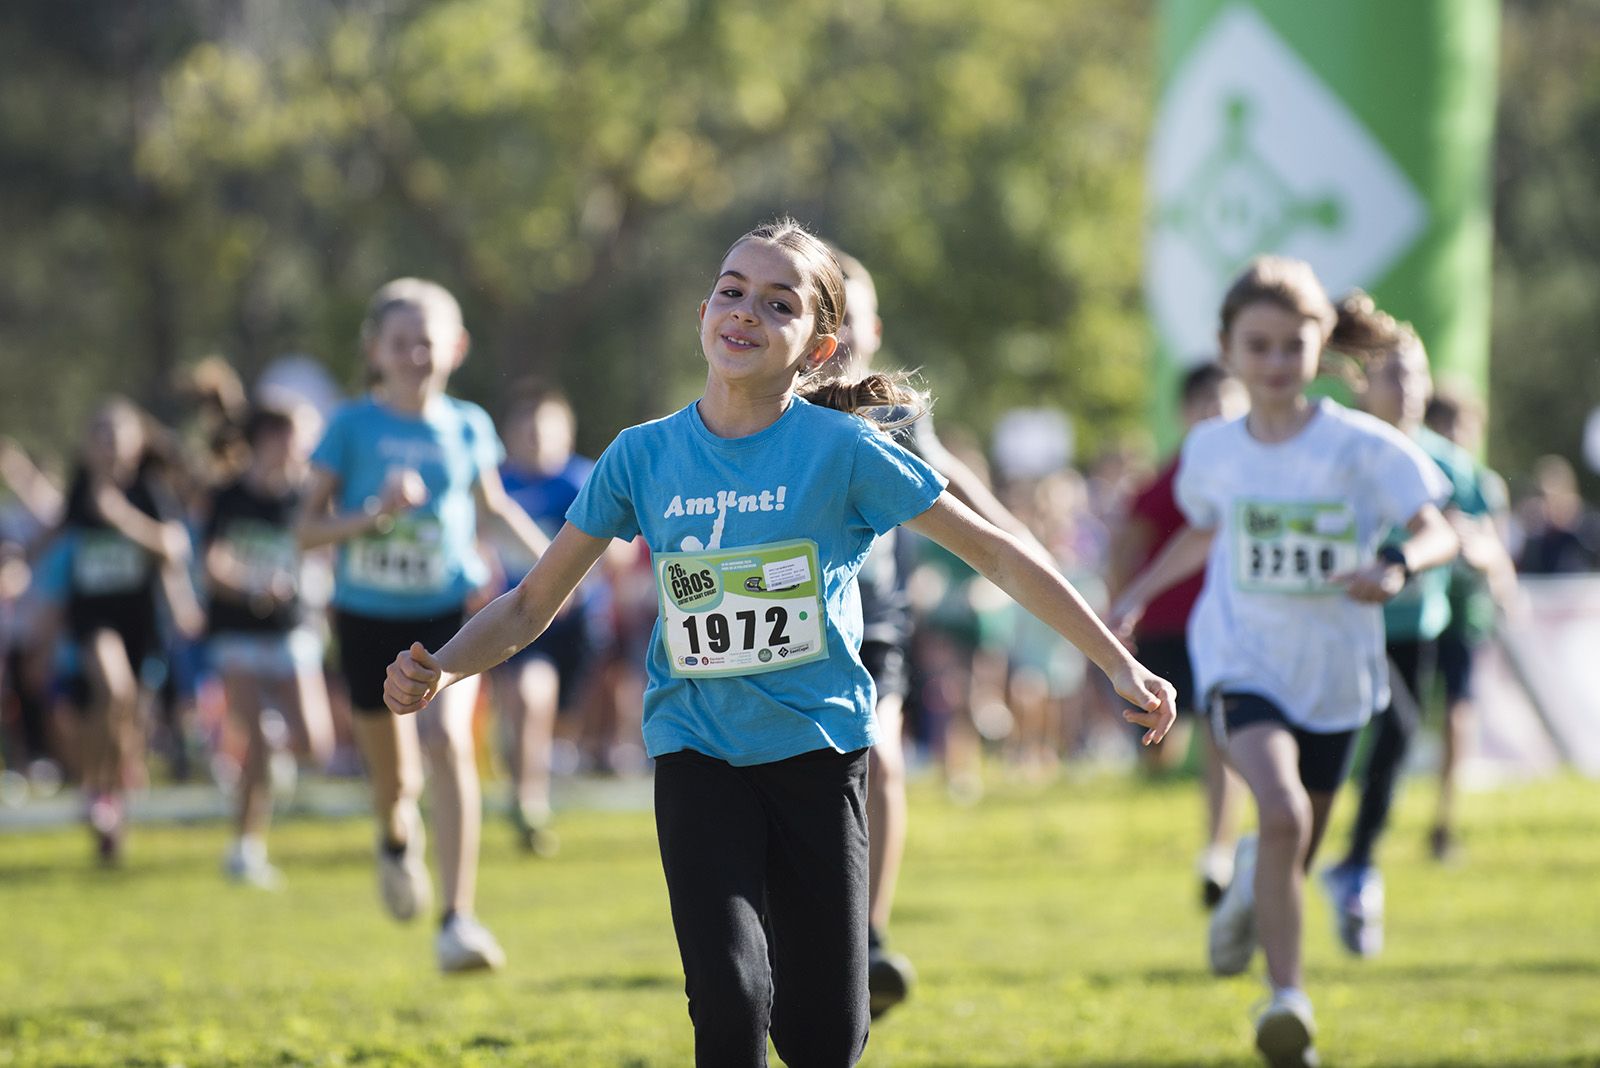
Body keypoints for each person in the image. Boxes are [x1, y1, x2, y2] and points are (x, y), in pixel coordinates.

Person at [383, 219, 1176, 1067]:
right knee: (729, 1001)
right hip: (695, 753)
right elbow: (533, 599)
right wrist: (443, 667)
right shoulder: (641, 456)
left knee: (824, 1037)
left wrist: (1116, 659)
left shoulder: (844, 450)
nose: (746, 312)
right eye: (731, 290)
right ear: (703, 311)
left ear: (818, 345)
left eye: (778, 302)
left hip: (816, 750)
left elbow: (996, 553)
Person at [1111, 256, 1457, 1068]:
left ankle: (1243, 896)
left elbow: (1441, 528)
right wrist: (1136, 596)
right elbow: (1206, 530)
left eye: (1290, 347)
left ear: (1319, 347)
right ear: (1227, 348)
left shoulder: (1362, 447)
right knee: (1285, 813)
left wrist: (1397, 567)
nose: (1273, 364)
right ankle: (1287, 1000)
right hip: (1242, 659)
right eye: (1256, 346)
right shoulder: (1213, 451)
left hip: (1337, 674)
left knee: (1290, 843)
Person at [297, 277, 550, 973]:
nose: (415, 355)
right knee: (394, 781)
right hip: (367, 617)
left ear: (456, 348)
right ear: (374, 350)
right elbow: (304, 532)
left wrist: (563, 561)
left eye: (428, 341)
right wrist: (372, 515)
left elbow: (492, 506)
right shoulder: (349, 427)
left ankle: (457, 919)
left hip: (450, 611)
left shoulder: (469, 425)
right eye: (400, 342)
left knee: (447, 741)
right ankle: (393, 837)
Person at [820, 245, 1048, 1018]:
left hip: (873, 619)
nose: (843, 335)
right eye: (829, 318)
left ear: (875, 328)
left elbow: (958, 483)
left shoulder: (893, 414)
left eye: (854, 319)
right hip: (792, 624)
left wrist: (1023, 542)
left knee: (880, 765)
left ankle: (870, 938)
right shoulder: (773, 405)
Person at [1320, 303, 1498, 955]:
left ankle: (1356, 864)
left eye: (1419, 376)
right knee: (1337, 746)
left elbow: (1473, 523)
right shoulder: (1339, 449)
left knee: (1393, 741)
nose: (1412, 390)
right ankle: (1288, 854)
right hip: (1338, 623)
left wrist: (1485, 553)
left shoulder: (1447, 460)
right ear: (1360, 382)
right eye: (1396, 375)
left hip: (1414, 621)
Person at [1107, 361, 1249, 908]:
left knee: (1223, 737)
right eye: (1207, 404)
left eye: (1228, 402)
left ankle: (1218, 852)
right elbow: (1126, 548)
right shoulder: (1168, 480)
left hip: (1226, 634)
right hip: (1164, 631)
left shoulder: (1252, 473)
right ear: (1185, 414)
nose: (1217, 414)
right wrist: (1122, 611)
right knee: (1163, 749)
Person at [58, 399, 200, 863]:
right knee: (113, 691)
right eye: (99, 435)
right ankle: (94, 791)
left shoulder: (148, 490)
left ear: (135, 445)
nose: (108, 446)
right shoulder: (79, 491)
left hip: (141, 621)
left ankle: (110, 807)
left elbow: (174, 547)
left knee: (130, 721)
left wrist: (122, 519)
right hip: (92, 618)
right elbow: (53, 536)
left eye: (116, 436)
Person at [203, 406, 334, 888]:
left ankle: (265, 758)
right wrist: (252, 587)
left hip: (291, 630)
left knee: (315, 745)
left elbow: (325, 554)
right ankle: (245, 847)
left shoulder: (307, 496)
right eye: (284, 437)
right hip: (238, 632)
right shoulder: (229, 495)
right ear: (262, 440)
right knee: (255, 739)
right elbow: (211, 563)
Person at [488, 384, 594, 855]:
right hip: (517, 618)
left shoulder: (583, 481)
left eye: (544, 429)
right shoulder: (496, 486)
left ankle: (526, 773)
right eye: (525, 430)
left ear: (565, 434)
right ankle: (528, 803)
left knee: (559, 721)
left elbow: (616, 553)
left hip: (577, 625)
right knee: (532, 698)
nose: (534, 439)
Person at [1422, 388, 1517, 861]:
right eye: (1445, 427)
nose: (1455, 439)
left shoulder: (1482, 483)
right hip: (1414, 612)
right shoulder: (1412, 471)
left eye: (1462, 429)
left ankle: (1445, 815)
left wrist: (1502, 584)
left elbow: (1497, 551)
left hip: (1462, 614)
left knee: (1459, 711)